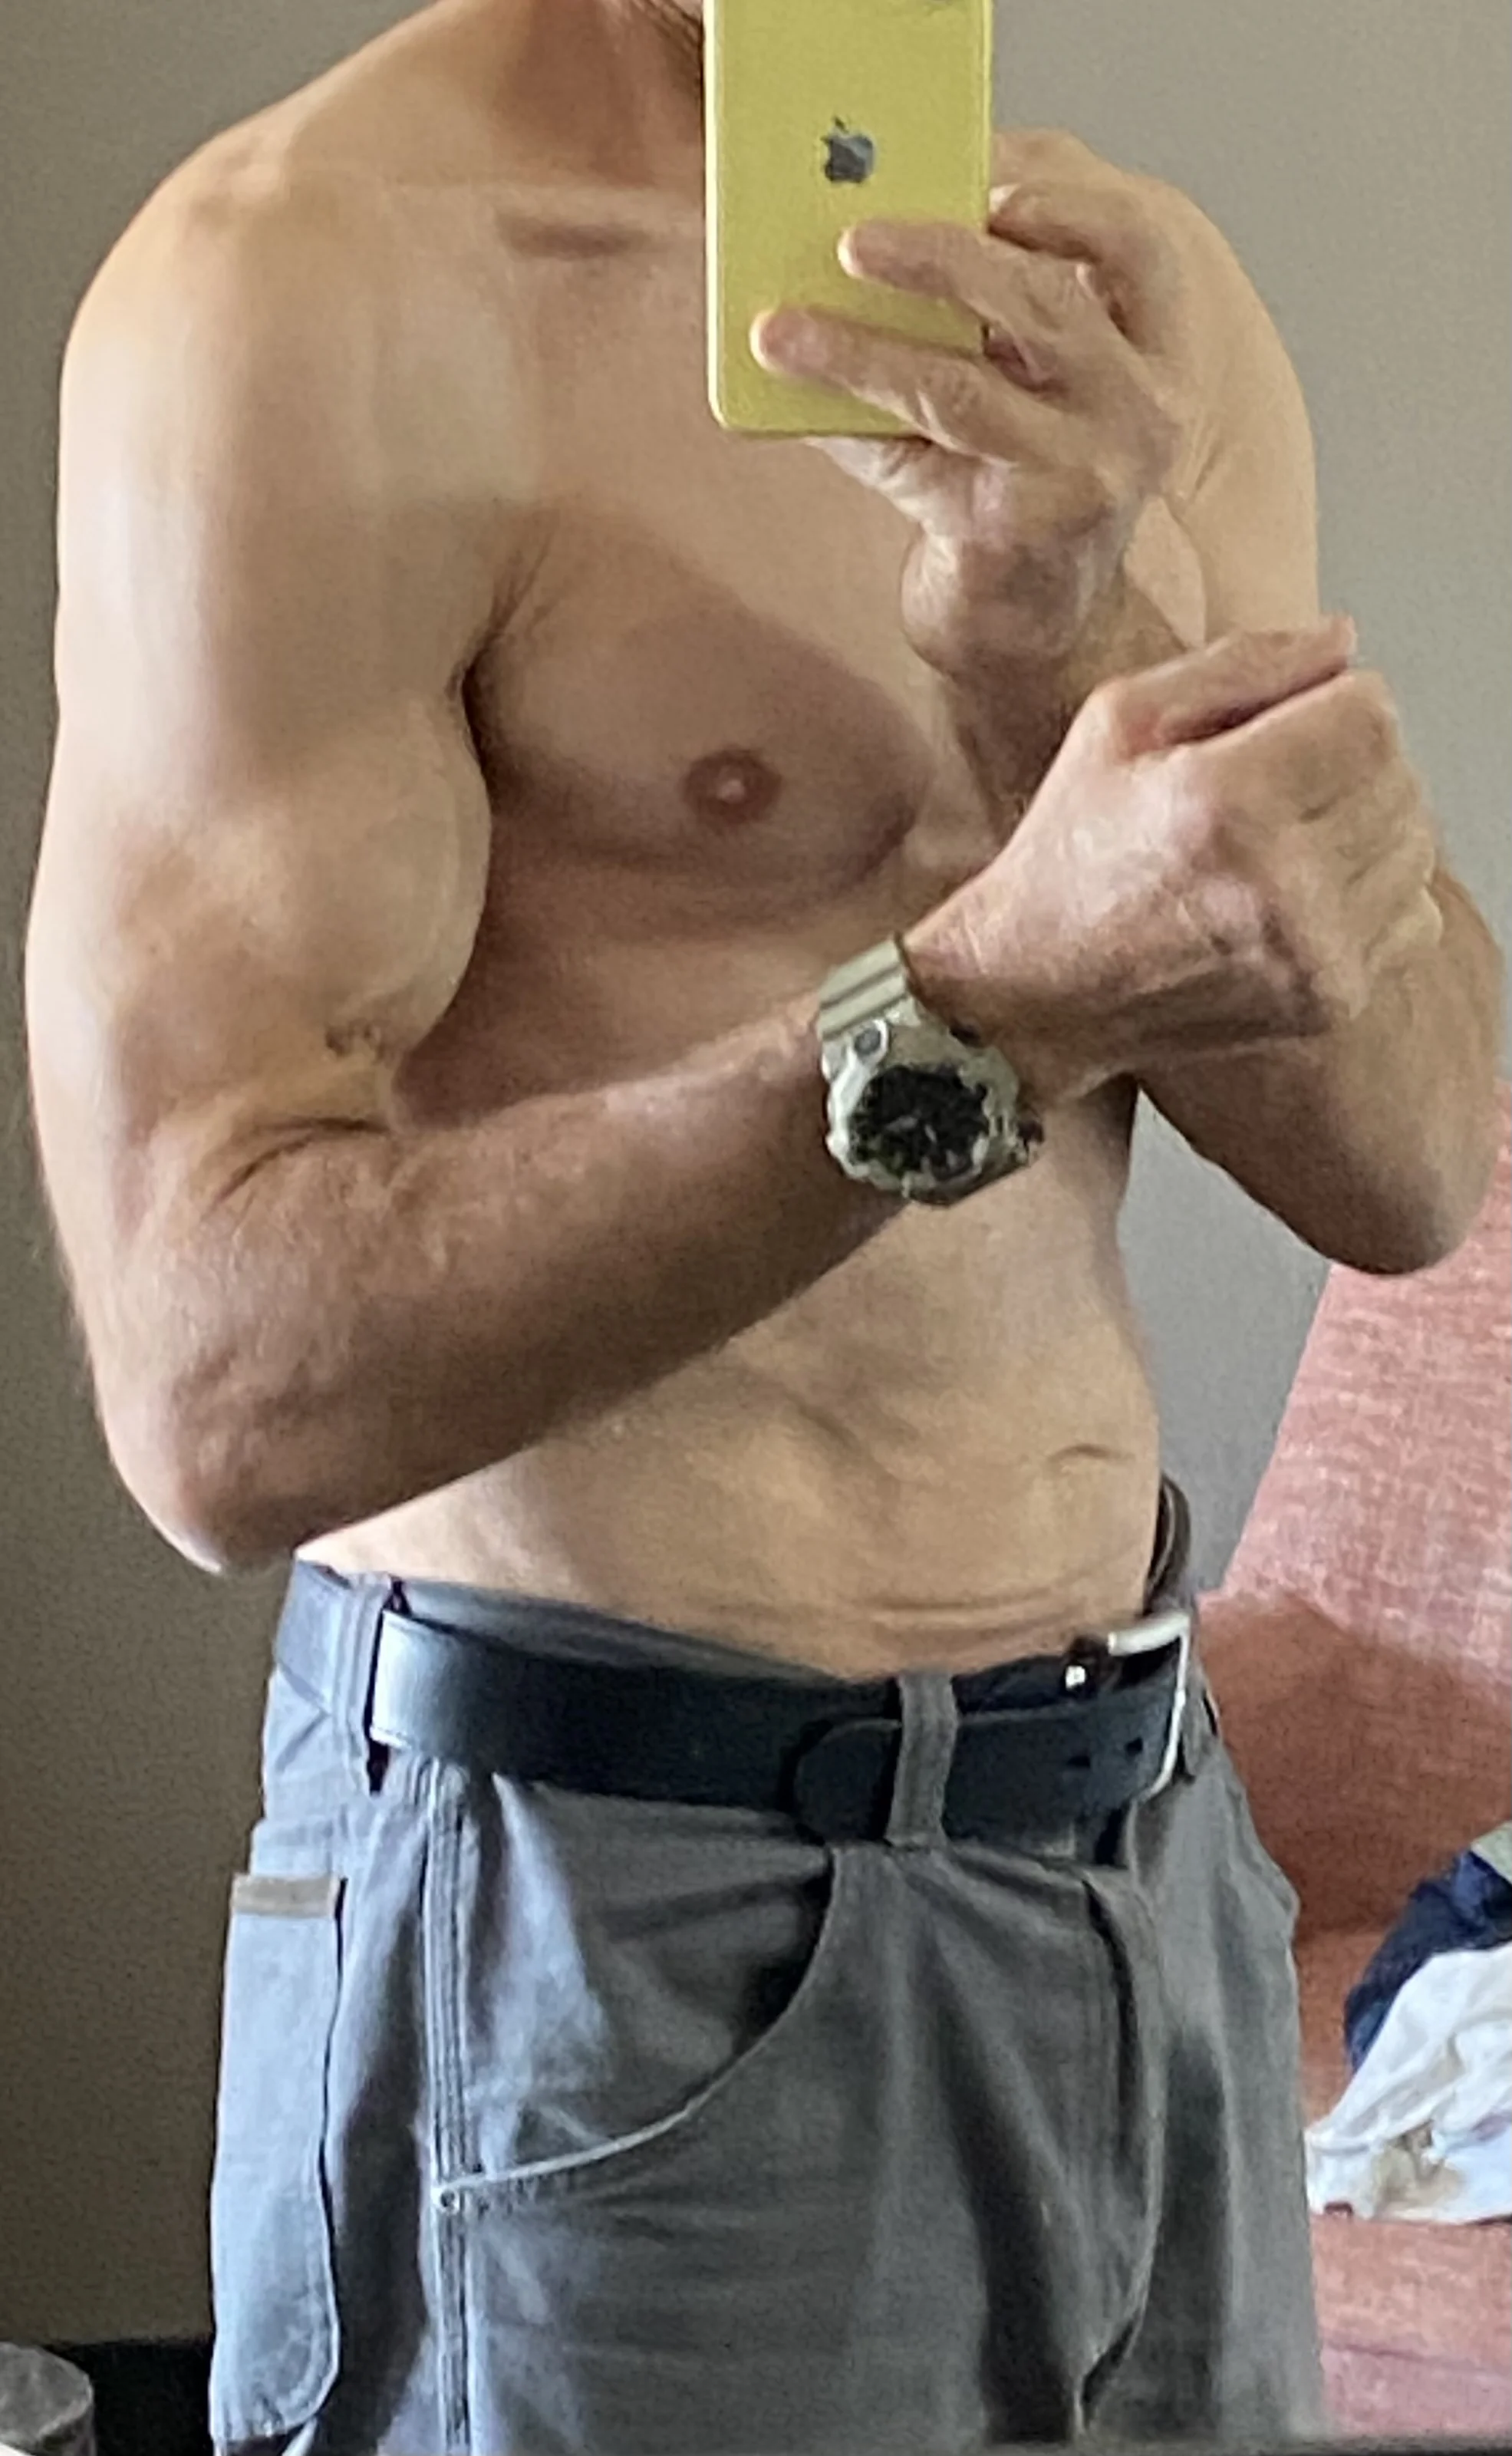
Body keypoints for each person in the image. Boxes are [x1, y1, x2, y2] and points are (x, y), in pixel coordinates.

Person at [24, 0, 1504, 2449]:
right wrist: (985, 1007)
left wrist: (1071, 644)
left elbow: (1416, 1158)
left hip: (1144, 1868)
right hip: (616, 1919)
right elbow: (216, 1387)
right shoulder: (315, 284)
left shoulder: (1129, 316)